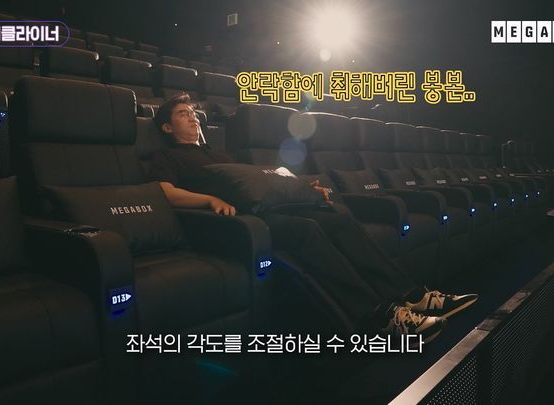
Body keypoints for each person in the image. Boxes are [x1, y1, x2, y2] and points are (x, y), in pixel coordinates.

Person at [147, 94, 478, 343]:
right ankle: (380, 317)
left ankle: (414, 295)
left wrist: (304, 191)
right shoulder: (167, 156)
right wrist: (210, 199)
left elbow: (262, 183)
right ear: (167, 127)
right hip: (233, 223)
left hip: (262, 208)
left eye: (193, 113)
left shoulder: (221, 154)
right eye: (182, 114)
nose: (193, 117)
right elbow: (164, 191)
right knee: (306, 230)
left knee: (337, 215)